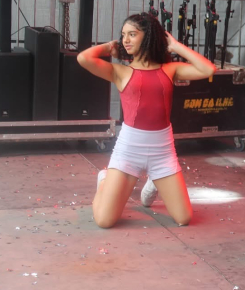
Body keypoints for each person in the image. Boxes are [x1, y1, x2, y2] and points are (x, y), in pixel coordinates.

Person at [78, 12, 215, 228]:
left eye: (132, 34)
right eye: (124, 35)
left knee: (184, 218)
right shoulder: (120, 71)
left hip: (162, 151)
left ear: (148, 36)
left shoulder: (170, 69)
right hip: (129, 150)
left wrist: (175, 46)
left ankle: (155, 182)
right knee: (104, 221)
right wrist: (110, 47)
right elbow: (83, 58)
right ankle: (105, 179)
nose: (126, 40)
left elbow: (208, 69)